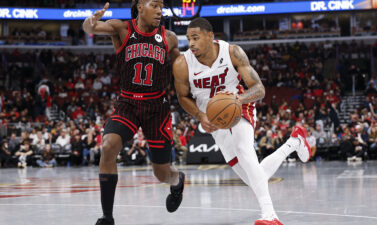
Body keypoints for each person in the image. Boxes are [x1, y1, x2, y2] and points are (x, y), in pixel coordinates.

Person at [173, 17, 311, 225]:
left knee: (244, 149)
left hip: (239, 105)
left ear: (210, 37)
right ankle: (294, 142)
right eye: (188, 38)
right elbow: (183, 96)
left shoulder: (232, 52)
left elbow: (258, 89)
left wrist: (239, 99)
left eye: (195, 37)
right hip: (213, 117)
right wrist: (200, 116)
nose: (190, 43)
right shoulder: (182, 64)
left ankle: (270, 216)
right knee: (254, 178)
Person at [82, 1, 184, 224]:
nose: (160, 10)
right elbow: (90, 29)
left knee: (161, 173)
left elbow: (181, 64)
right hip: (128, 103)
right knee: (108, 145)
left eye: (162, 6)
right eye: (154, 5)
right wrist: (90, 21)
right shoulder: (122, 29)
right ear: (139, 7)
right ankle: (107, 217)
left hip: (157, 107)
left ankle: (177, 181)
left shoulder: (169, 37)